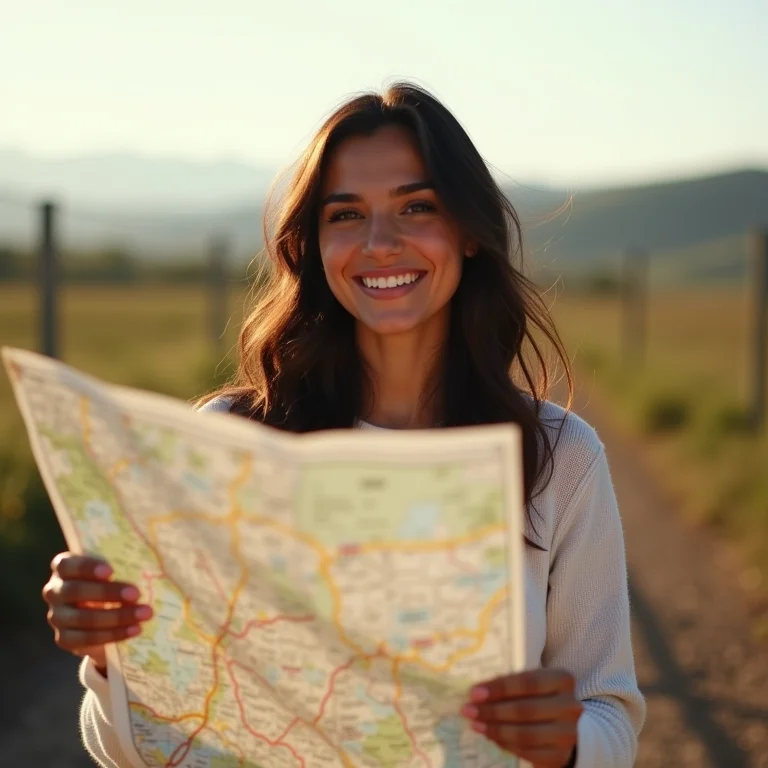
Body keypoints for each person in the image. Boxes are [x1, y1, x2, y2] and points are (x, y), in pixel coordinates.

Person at [42, 82, 645, 767]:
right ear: (315, 245)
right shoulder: (229, 441)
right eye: (346, 214)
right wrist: (111, 658)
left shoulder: (559, 457)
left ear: (469, 233)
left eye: (417, 207)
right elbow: (135, 747)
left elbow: (610, 717)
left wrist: (566, 743)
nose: (380, 244)